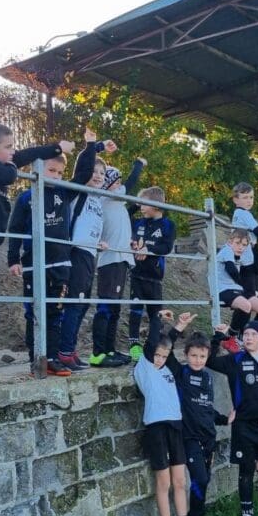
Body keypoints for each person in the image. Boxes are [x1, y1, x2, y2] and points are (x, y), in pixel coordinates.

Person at [0, 122, 72, 384]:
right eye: (8, 147)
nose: (13, 152)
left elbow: (23, 156)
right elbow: (8, 174)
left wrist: (55, 148)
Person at [7, 133, 110, 375]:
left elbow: (83, 174)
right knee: (34, 312)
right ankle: (36, 360)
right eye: (51, 171)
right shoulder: (26, 197)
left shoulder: (64, 192)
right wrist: (13, 259)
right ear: (37, 169)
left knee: (55, 312)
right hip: (34, 264)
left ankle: (52, 358)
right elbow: (15, 228)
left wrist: (91, 146)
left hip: (61, 264)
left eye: (60, 173)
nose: (56, 176)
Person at [156, 311, 229, 516]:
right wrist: (178, 327)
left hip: (209, 438)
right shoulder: (181, 374)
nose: (198, 360)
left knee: (204, 482)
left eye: (202, 356)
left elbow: (206, 408)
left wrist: (224, 419)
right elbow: (166, 352)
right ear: (186, 355)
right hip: (189, 438)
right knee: (200, 479)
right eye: (194, 356)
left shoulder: (207, 377)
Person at [208, 319, 258, 516]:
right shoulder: (235, 360)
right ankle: (247, 514)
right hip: (243, 424)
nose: (249, 337)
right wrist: (218, 337)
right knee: (246, 468)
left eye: (253, 334)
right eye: (246, 334)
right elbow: (210, 361)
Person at [57, 130, 118, 371]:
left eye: (102, 173)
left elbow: (91, 225)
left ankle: (70, 350)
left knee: (82, 304)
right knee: (75, 303)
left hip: (90, 253)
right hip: (76, 252)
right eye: (95, 171)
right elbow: (82, 169)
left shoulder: (97, 199)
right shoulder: (79, 191)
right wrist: (95, 146)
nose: (98, 176)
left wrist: (99, 242)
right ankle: (64, 352)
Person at [134, 311, 193, 516]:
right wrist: (158, 319)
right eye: (157, 355)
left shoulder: (168, 368)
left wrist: (178, 326)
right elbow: (153, 343)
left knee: (180, 480)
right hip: (156, 427)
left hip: (175, 426)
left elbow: (168, 345)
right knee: (164, 481)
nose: (159, 359)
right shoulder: (145, 367)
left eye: (164, 356)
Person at [89, 156, 146, 367]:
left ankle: (110, 349)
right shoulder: (107, 198)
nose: (120, 185)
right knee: (105, 307)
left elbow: (124, 218)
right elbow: (130, 184)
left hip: (121, 259)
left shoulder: (116, 203)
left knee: (114, 309)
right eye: (116, 181)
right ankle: (98, 352)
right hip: (111, 260)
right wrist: (138, 165)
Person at [127, 186, 176, 362]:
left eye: (144, 203)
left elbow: (167, 247)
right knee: (135, 310)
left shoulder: (168, 225)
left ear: (156, 205)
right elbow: (126, 215)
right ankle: (134, 346)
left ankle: (152, 345)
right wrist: (136, 203)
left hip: (155, 278)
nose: (140, 206)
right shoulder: (138, 223)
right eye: (139, 203)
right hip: (136, 274)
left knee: (156, 314)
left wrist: (149, 250)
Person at [214, 228, 258, 353]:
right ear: (230, 242)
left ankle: (252, 338)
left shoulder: (241, 255)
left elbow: (257, 270)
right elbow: (231, 270)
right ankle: (231, 338)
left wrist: (255, 248)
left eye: (244, 245)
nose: (241, 247)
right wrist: (242, 284)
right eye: (237, 243)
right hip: (223, 290)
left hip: (237, 290)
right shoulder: (227, 251)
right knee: (246, 305)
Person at [230, 181, 258, 334]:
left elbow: (255, 236)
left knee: (249, 298)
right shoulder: (244, 214)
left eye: (251, 197)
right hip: (246, 261)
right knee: (250, 299)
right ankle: (240, 333)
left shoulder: (239, 215)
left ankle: (243, 333)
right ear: (235, 199)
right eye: (245, 197)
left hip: (249, 259)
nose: (249, 201)